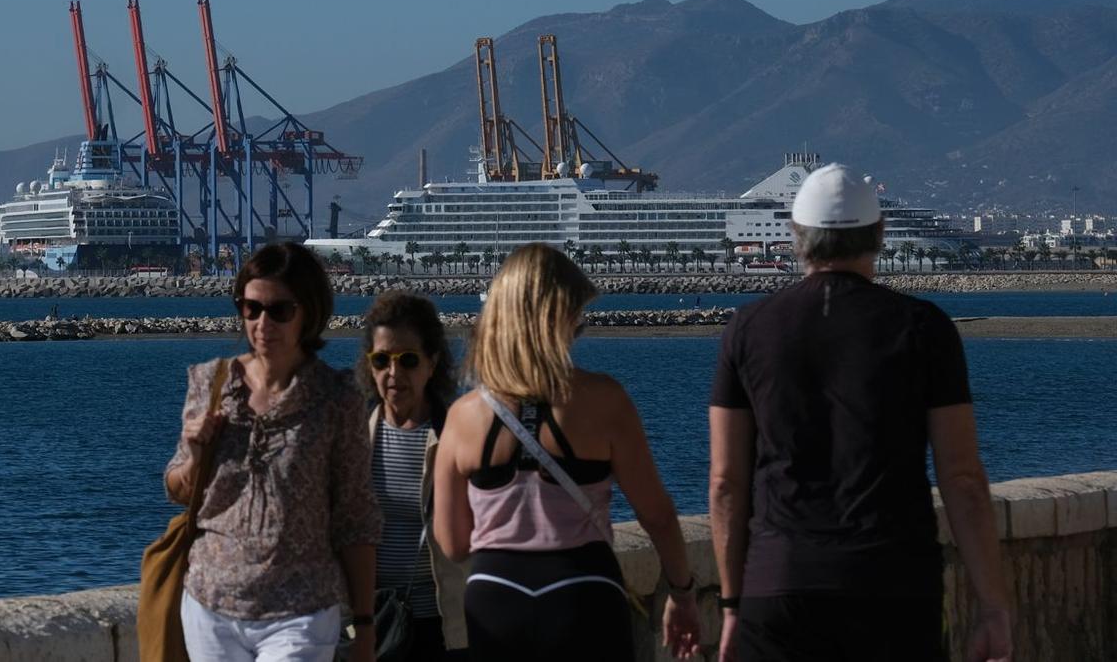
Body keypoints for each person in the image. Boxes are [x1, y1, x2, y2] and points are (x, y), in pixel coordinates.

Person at [708, 163, 1012, 662]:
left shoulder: (746, 329)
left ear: (796, 236)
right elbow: (963, 480)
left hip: (779, 584)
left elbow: (725, 482)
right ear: (879, 235)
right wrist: (993, 607)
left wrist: (732, 605)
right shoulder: (923, 328)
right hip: (892, 584)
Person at [433, 243, 700, 661]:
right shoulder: (604, 400)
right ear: (561, 319)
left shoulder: (463, 416)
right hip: (583, 590)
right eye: (578, 316)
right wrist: (682, 594)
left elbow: (452, 543)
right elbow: (658, 516)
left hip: (495, 598)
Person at [165, 241, 382, 662]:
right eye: (251, 308)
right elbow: (178, 489)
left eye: (280, 310)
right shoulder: (210, 384)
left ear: (309, 313)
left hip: (300, 611)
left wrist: (366, 624)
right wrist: (193, 454)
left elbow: (356, 516)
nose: (263, 323)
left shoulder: (337, 399)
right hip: (211, 603)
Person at [355, 291, 469, 662]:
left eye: (407, 360)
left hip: (442, 626)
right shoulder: (353, 435)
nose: (393, 373)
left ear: (432, 363)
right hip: (373, 624)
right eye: (381, 360)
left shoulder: (459, 433)